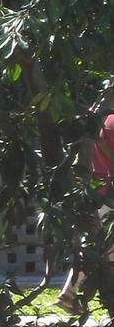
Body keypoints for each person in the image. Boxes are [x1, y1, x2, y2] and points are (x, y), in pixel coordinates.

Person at [55, 113, 114, 314]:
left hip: (96, 192)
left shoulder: (104, 120)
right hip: (108, 194)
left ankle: (69, 293)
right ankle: (70, 293)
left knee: (100, 248)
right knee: (106, 250)